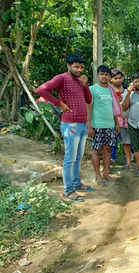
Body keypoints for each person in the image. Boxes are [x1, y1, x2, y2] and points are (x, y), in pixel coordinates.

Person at [35, 53, 94, 201]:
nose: (79, 70)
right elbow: (41, 90)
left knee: (78, 157)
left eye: (81, 67)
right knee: (70, 158)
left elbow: (88, 99)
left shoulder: (80, 81)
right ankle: (68, 190)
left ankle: (77, 183)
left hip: (81, 123)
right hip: (70, 124)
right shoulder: (61, 78)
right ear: (68, 66)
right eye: (76, 66)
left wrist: (85, 85)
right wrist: (58, 103)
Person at [87, 65, 120, 185]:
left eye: (107, 74)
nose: (104, 76)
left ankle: (106, 173)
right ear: (98, 75)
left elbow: (114, 108)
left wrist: (116, 123)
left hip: (110, 125)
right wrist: (89, 125)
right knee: (96, 150)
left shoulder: (111, 90)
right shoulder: (92, 89)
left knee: (108, 150)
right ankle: (97, 175)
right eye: (102, 74)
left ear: (110, 77)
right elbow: (89, 108)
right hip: (97, 125)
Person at [109, 69, 132, 169]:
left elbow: (129, 104)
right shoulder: (108, 90)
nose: (118, 80)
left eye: (120, 78)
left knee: (127, 141)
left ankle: (129, 161)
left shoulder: (127, 89)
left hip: (126, 119)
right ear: (111, 79)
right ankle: (111, 160)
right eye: (115, 78)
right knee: (112, 141)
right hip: (113, 120)